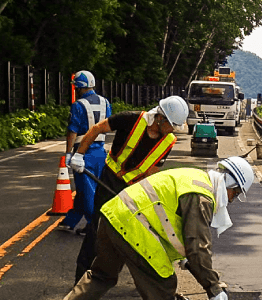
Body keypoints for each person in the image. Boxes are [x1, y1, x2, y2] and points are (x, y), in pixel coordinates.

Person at [43, 157, 255, 300]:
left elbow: (171, 222)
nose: (232, 199)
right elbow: (198, 247)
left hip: (113, 216)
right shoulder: (202, 196)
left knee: (101, 275)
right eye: (235, 193)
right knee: (163, 285)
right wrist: (214, 289)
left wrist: (184, 259)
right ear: (230, 183)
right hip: (133, 227)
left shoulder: (194, 178)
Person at [66, 95, 190, 283]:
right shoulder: (130, 119)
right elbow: (97, 129)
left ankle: (117, 277)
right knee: (96, 230)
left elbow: (152, 171)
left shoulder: (168, 141)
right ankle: (80, 278)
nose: (173, 130)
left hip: (134, 189)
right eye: (171, 125)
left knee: (129, 234)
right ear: (160, 118)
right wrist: (79, 154)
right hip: (109, 180)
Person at [57, 71, 111, 233]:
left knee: (87, 190)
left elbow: (72, 131)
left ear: (79, 87)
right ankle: (70, 221)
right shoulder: (105, 102)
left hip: (83, 152)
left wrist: (68, 153)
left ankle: (94, 225)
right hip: (100, 152)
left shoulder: (78, 105)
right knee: (86, 188)